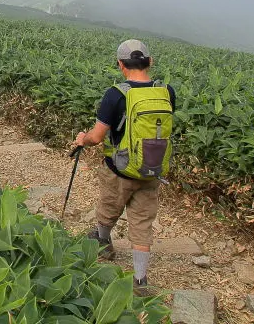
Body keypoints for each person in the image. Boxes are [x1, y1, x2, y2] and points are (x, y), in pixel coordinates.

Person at [72, 39, 176, 296]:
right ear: (150, 62)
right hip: (152, 168)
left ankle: (104, 241)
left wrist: (81, 139)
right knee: (142, 221)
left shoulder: (116, 94)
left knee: (109, 205)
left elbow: (96, 138)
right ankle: (140, 280)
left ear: (121, 65)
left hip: (120, 167)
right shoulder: (167, 92)